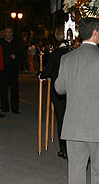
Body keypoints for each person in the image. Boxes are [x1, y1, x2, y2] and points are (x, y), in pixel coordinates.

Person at [55, 17, 99, 184]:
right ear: (95, 32)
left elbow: (59, 88)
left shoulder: (67, 59)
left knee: (76, 173)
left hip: (74, 127)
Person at [39, 27, 71, 159]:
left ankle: (63, 149)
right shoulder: (73, 52)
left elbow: (48, 72)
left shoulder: (55, 54)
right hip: (72, 91)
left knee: (61, 119)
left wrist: (41, 75)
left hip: (58, 92)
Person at [0, 27, 23, 114]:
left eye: (10, 32)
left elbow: (21, 54)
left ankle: (15, 108)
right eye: (7, 32)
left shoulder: (16, 42)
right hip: (3, 69)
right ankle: (5, 107)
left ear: (12, 33)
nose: (8, 34)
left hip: (13, 69)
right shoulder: (1, 42)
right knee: (3, 89)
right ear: (4, 33)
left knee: (14, 89)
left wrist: (16, 56)